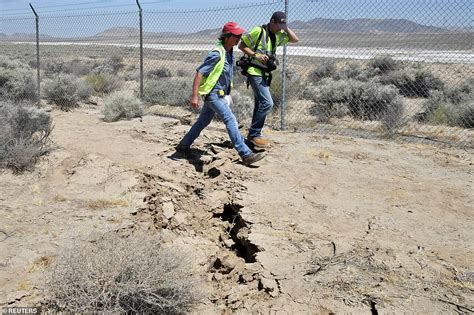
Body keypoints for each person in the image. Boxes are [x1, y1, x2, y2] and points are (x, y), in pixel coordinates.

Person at [176, 22, 265, 166]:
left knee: (202, 122)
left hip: (220, 94)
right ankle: (245, 153)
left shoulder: (229, 51)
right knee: (230, 119)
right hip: (213, 95)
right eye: (236, 35)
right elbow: (200, 72)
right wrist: (194, 95)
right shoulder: (217, 53)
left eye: (240, 35)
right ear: (226, 37)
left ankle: (183, 146)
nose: (239, 38)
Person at [238, 11, 299, 147]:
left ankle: (253, 136)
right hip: (254, 71)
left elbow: (295, 39)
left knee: (260, 104)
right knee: (267, 103)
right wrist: (256, 55)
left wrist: (285, 27)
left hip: (265, 74)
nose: (280, 28)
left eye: (282, 25)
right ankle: (254, 133)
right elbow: (241, 46)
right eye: (278, 24)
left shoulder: (278, 35)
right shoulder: (258, 31)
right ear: (272, 21)